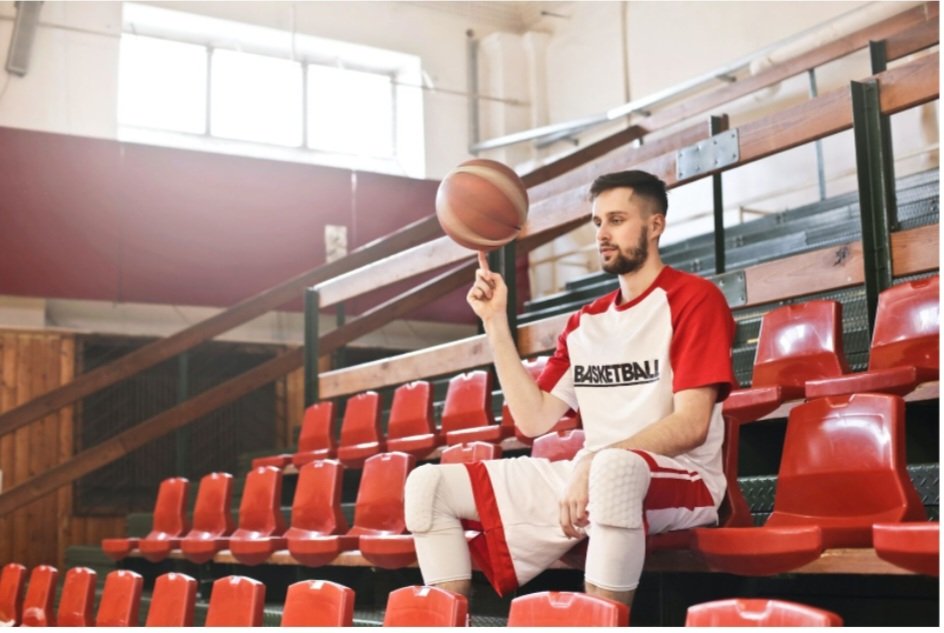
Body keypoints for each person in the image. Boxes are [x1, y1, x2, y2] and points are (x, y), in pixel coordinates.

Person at [404, 169, 736, 607]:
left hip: (683, 474)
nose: (602, 233)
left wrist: (597, 459)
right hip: (593, 473)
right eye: (597, 222)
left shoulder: (695, 299)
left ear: (655, 225)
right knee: (427, 486)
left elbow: (692, 425)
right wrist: (494, 323)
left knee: (611, 473)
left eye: (616, 220)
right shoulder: (584, 322)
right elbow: (533, 419)